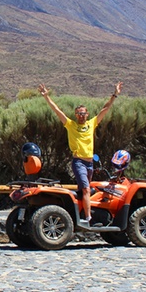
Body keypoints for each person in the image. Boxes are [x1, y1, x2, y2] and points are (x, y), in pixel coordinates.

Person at [38, 81, 122, 225]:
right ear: (76, 115)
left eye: (83, 113)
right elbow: (57, 110)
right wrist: (47, 97)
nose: (81, 116)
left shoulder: (92, 124)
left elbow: (105, 109)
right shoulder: (71, 125)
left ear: (87, 114)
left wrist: (115, 94)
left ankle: (79, 214)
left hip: (90, 163)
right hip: (78, 162)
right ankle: (88, 218)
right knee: (86, 189)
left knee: (83, 191)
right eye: (79, 114)